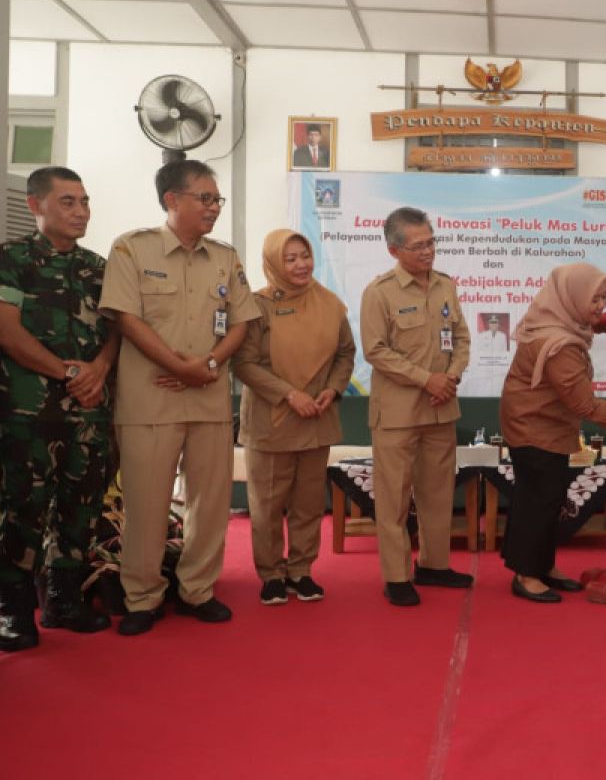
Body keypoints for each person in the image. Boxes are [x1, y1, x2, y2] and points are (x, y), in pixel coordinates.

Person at [98, 159, 259, 636]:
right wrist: (179, 366)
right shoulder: (132, 249)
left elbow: (242, 322)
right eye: (204, 198)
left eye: (216, 200)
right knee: (146, 504)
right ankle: (143, 598)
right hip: (150, 400)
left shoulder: (225, 257)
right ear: (172, 200)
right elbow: (127, 319)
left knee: (210, 505)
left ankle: (197, 591)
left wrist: (206, 366)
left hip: (208, 399)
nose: (213, 208)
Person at [499, 263, 606, 603]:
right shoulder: (559, 345)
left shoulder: (556, 325)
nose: (601, 306)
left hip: (543, 426)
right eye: (595, 299)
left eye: (604, 298)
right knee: (538, 502)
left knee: (549, 500)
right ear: (572, 296)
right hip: (534, 428)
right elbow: (585, 406)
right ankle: (527, 575)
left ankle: (543, 566)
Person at [0, 167, 117, 650]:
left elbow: (116, 331)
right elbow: (7, 330)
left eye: (85, 201)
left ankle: (64, 600)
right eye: (67, 201)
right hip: (29, 411)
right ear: (35, 206)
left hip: (89, 411)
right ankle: (12, 609)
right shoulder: (12, 260)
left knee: (81, 507)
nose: (80, 211)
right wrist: (68, 373)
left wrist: (100, 369)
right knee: (22, 508)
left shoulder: (99, 266)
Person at [233, 229, 355, 605]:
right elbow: (243, 363)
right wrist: (289, 394)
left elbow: (345, 354)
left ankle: (301, 571)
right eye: (290, 258)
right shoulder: (257, 306)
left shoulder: (331, 304)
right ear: (273, 262)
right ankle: (271, 574)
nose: (301, 264)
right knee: (268, 505)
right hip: (272, 419)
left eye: (305, 255)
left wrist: (332, 389)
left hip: (317, 417)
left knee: (307, 504)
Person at [360, 207, 473, 607]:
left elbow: (461, 338)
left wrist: (452, 378)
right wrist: (428, 380)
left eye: (431, 242)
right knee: (393, 499)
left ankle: (434, 565)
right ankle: (396, 575)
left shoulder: (445, 286)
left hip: (442, 409)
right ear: (394, 250)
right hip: (397, 414)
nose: (428, 251)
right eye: (418, 245)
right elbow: (375, 351)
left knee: (438, 494)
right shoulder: (380, 292)